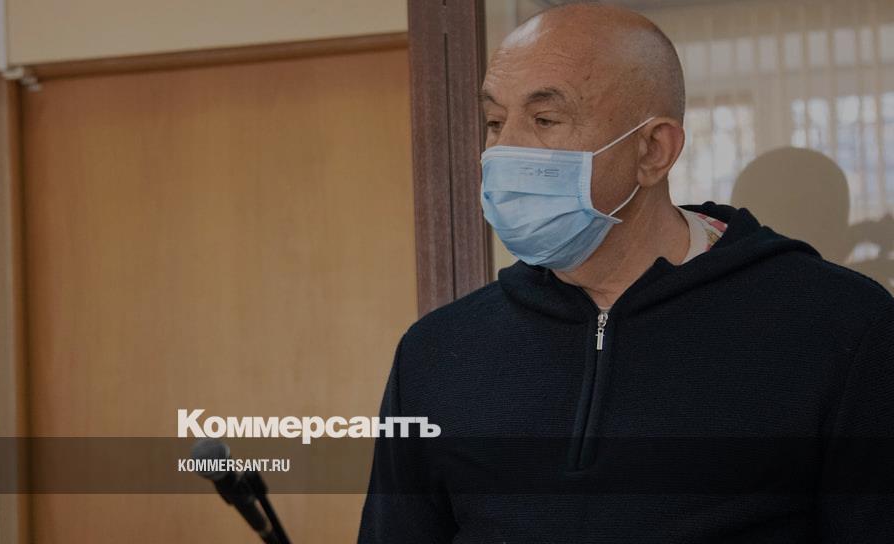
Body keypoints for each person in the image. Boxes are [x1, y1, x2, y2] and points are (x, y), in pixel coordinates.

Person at [358, 4, 894, 542]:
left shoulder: (843, 328)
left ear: (653, 150)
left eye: (545, 120)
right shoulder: (436, 352)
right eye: (495, 122)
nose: (504, 150)